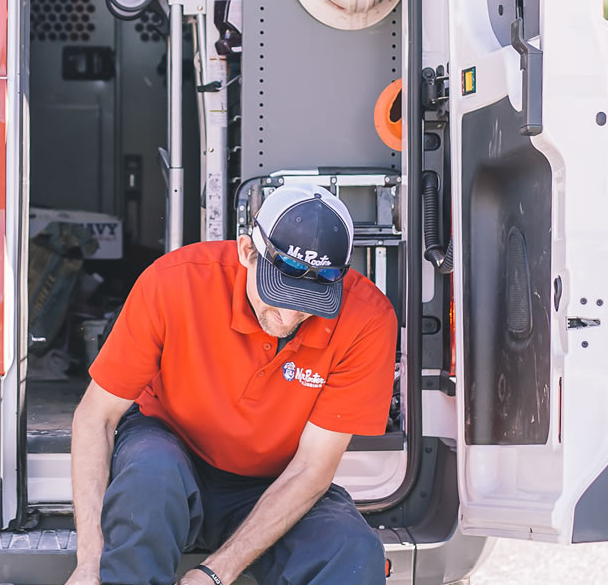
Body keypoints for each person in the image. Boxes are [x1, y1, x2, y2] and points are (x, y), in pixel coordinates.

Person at [67, 183, 398, 585]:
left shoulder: (368, 320)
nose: (291, 316)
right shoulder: (173, 283)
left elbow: (311, 469)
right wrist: (89, 563)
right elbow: (95, 417)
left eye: (310, 301)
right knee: (149, 479)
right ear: (247, 251)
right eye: (280, 293)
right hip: (174, 447)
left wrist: (214, 573)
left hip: (274, 479)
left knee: (352, 550)